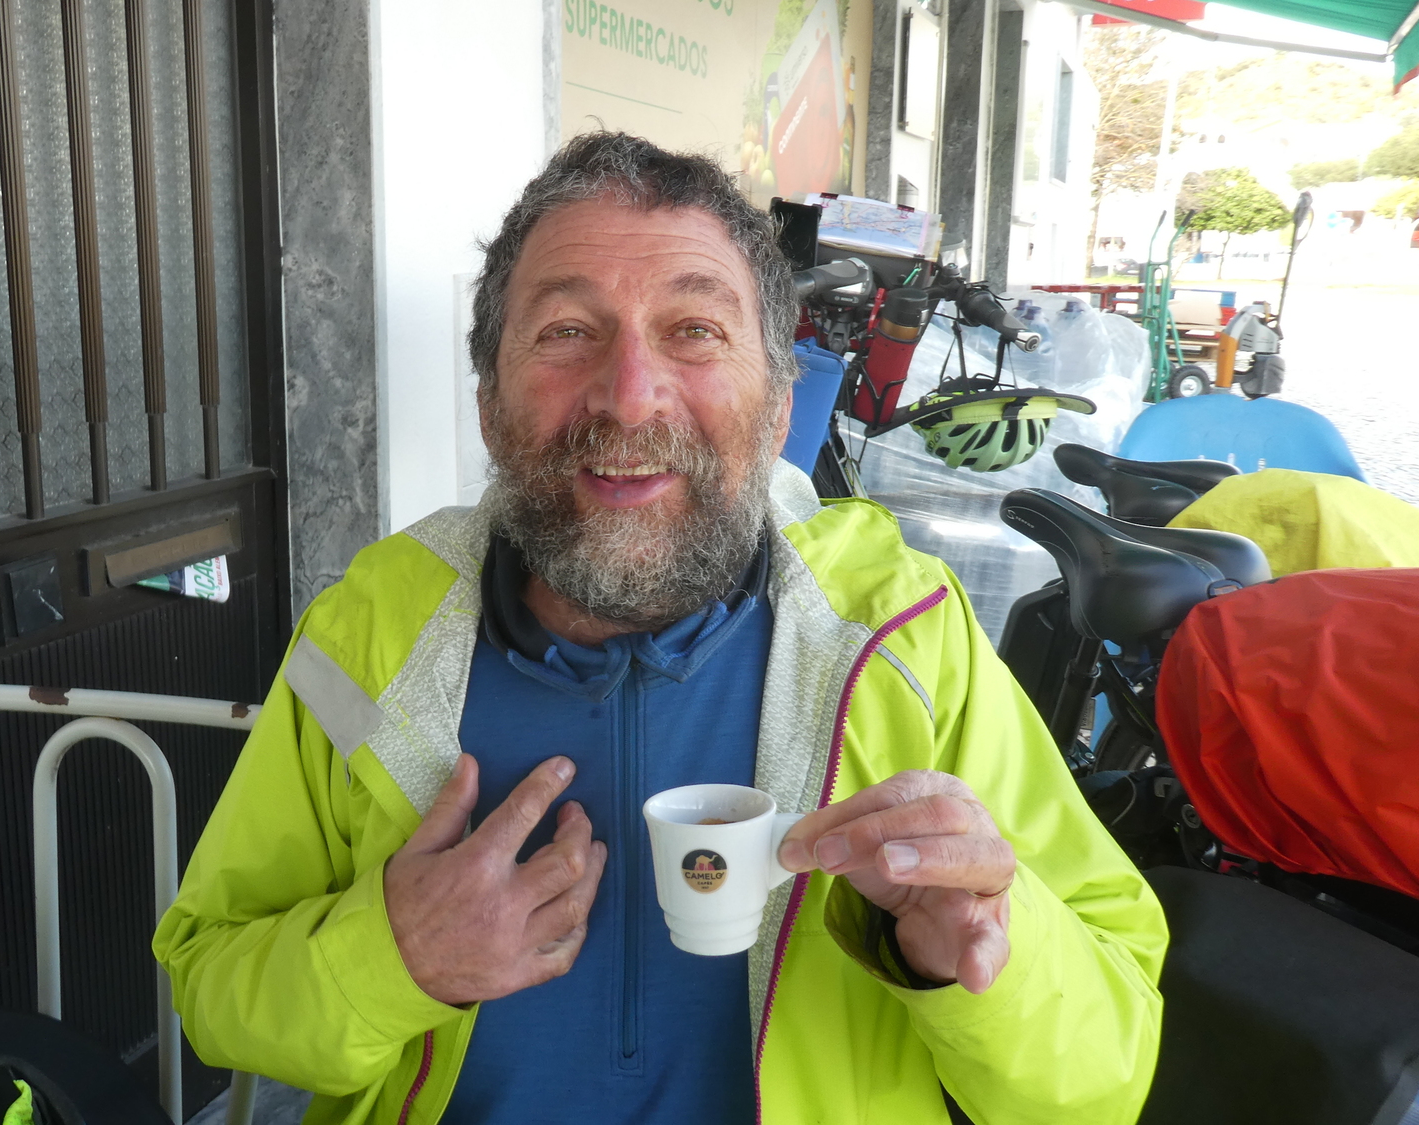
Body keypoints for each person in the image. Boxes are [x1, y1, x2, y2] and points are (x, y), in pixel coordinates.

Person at [154, 132, 1166, 1125]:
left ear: (778, 409)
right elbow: (212, 982)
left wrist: (978, 957)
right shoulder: (367, 634)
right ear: (489, 406)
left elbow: (1103, 1077)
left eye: (694, 330)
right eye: (566, 331)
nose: (630, 397)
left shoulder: (902, 636)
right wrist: (390, 957)